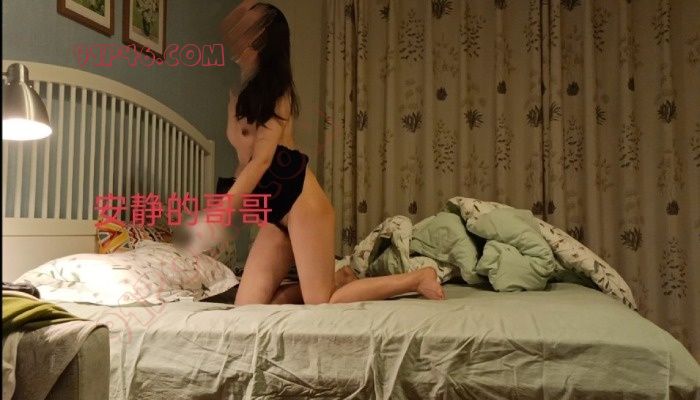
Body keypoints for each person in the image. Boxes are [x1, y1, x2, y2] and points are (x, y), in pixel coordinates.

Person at [188, 1, 445, 305]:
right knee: (247, 308)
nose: (240, 35)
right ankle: (339, 278)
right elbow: (244, 165)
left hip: (300, 202)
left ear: (264, 41)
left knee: (321, 300)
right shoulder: (236, 94)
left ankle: (418, 277)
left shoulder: (277, 92)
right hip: (275, 213)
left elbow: (262, 161)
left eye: (250, 30)